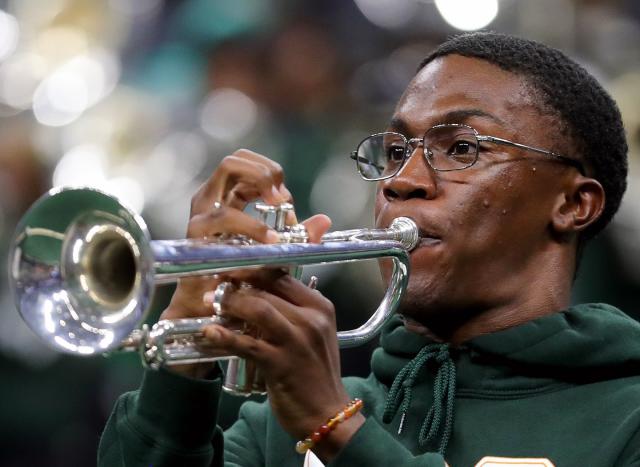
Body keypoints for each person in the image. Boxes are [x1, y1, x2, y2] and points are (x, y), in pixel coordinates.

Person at [98, 32, 639, 466]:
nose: (400, 181)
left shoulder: (625, 419)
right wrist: (187, 338)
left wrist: (335, 427)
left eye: (463, 149)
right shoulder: (278, 424)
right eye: (397, 150)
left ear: (573, 204)